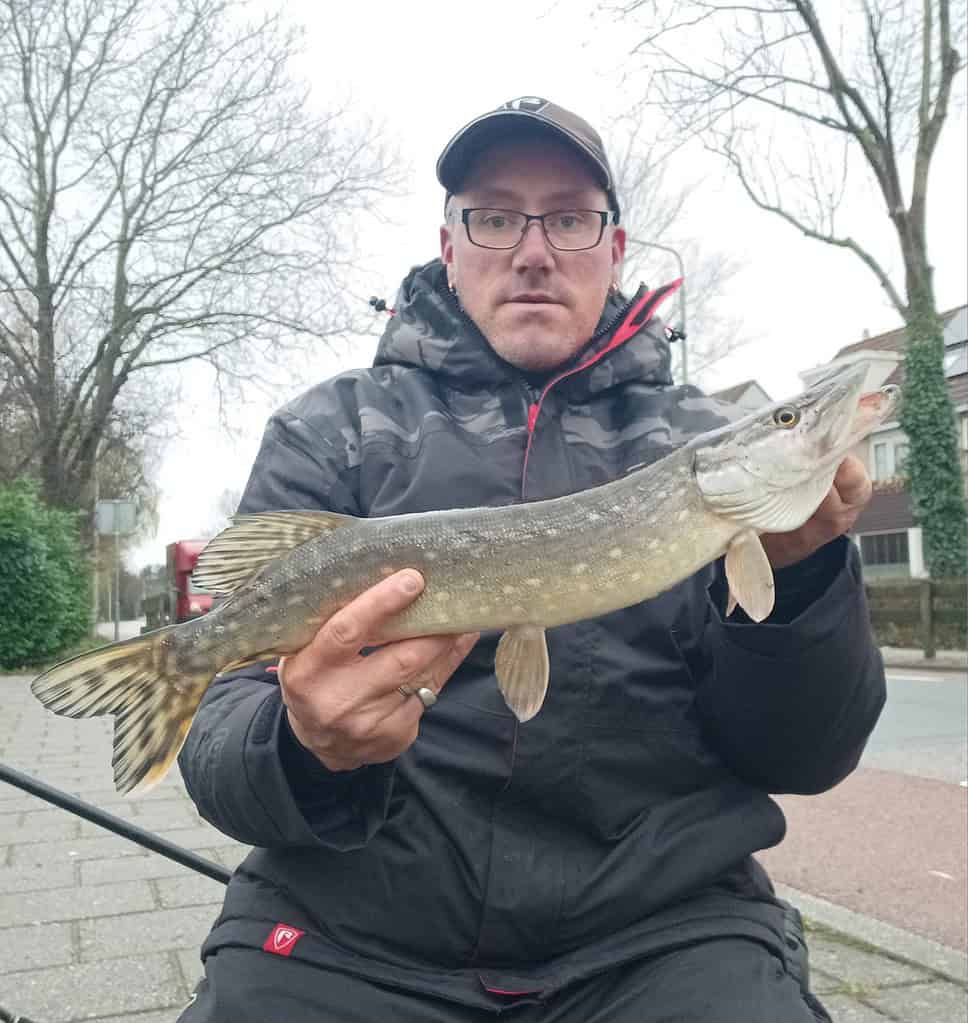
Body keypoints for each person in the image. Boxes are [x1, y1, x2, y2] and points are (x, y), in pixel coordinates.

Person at [177, 97, 885, 1022]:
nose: (535, 249)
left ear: (617, 247)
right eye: (497, 215)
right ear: (449, 244)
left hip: (661, 938)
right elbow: (219, 742)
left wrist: (798, 582)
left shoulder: (699, 441)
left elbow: (806, 753)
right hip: (348, 934)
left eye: (570, 216)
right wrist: (303, 749)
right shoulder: (335, 433)